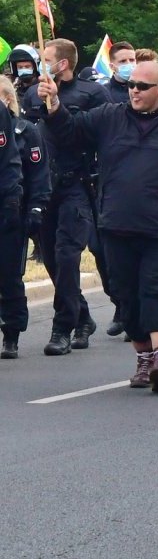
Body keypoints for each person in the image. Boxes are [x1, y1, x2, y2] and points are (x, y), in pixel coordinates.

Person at [38, 61, 158, 392]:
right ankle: (143, 359)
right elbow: (70, 132)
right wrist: (53, 104)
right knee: (127, 295)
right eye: (131, 86)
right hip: (117, 224)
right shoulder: (109, 117)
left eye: (142, 86)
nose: (135, 91)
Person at [22, 38, 111, 355]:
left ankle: (62, 328)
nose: (41, 64)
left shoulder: (92, 94)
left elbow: (83, 134)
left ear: (63, 64)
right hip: (46, 187)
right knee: (51, 260)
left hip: (78, 184)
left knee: (68, 255)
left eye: (47, 58)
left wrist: (57, 106)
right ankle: (82, 317)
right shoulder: (35, 91)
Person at [0, 75, 49, 359]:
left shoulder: (25, 130)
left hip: (10, 205)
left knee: (8, 274)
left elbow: (16, 168)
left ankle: (12, 331)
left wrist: (32, 206)